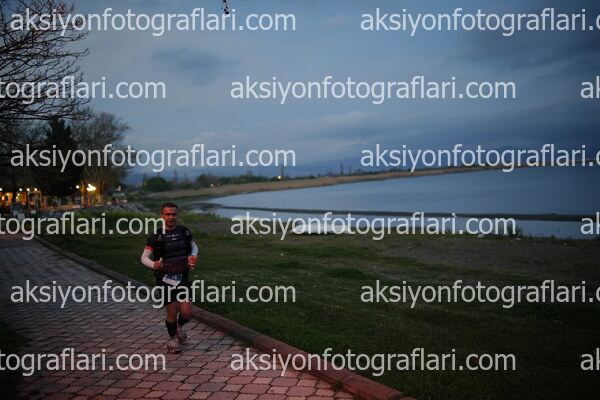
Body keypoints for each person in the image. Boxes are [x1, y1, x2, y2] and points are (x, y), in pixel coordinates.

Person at [141, 202, 198, 353]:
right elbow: (144, 257)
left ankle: (179, 328)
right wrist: (153, 265)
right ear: (162, 215)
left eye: (174, 214)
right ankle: (172, 341)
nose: (171, 217)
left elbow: (194, 247)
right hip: (165, 279)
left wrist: (192, 256)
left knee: (187, 312)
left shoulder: (184, 231)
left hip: (182, 277)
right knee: (172, 311)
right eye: (168, 214)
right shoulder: (156, 236)